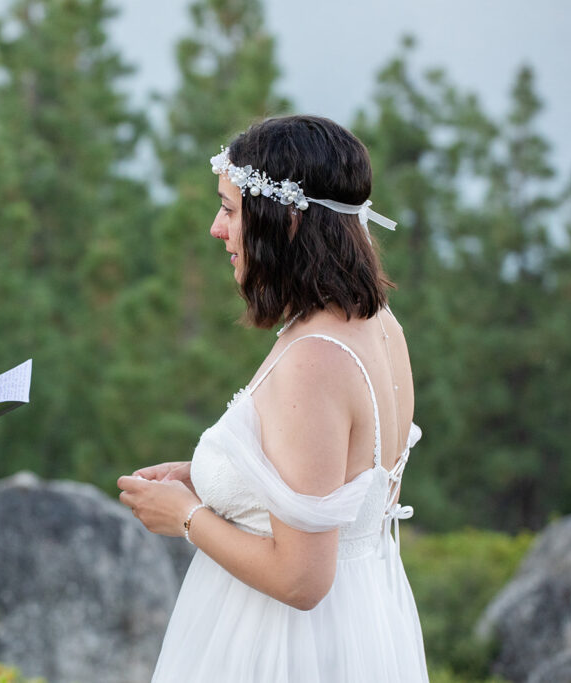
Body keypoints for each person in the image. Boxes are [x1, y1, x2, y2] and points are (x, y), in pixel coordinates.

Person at [118, 115, 428, 682]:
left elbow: (302, 581)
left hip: (284, 649)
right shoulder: (380, 323)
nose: (217, 229)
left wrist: (185, 516)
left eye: (231, 210)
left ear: (284, 221)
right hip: (357, 627)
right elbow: (345, 489)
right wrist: (210, 477)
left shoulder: (316, 358)